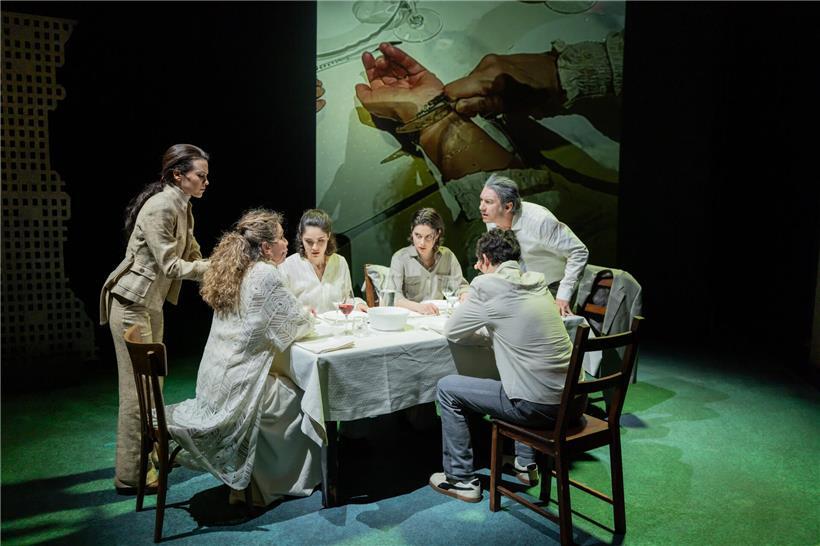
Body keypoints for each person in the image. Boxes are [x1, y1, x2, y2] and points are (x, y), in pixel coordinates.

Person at [165, 209, 321, 507]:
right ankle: (268, 483)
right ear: (265, 247)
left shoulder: (236, 268)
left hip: (213, 383)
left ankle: (249, 480)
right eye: (280, 238)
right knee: (301, 397)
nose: (286, 243)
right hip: (238, 389)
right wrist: (308, 316)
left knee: (285, 383)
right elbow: (296, 325)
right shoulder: (265, 273)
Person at [430, 228, 583, 503]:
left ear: (487, 259)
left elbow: (453, 331)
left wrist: (486, 327)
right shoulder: (538, 283)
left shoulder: (486, 286)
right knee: (518, 373)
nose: (476, 267)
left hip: (540, 408)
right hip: (574, 403)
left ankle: (461, 479)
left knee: (447, 387)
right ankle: (525, 463)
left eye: (478, 261)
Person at [99, 143, 211, 495]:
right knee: (137, 392)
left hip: (151, 304)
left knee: (154, 386)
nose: (206, 182)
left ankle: (150, 455)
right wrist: (218, 267)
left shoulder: (183, 206)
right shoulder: (161, 206)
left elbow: (194, 254)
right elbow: (171, 265)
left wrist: (220, 266)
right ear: (179, 175)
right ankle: (130, 475)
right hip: (130, 304)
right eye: (201, 176)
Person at [480, 173, 588, 316]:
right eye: (481, 200)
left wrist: (563, 295)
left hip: (552, 287)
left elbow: (578, 251)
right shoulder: (493, 221)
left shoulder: (539, 221)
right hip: (521, 286)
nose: (481, 207)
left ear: (507, 207)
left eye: (488, 202)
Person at [279, 208, 367, 314]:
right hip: (306, 328)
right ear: (301, 237)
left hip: (336, 327)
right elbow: (282, 308)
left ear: (328, 236)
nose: (315, 247)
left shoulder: (340, 262)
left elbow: (346, 299)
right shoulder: (288, 266)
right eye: (309, 241)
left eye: (320, 240)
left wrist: (358, 304)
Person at [387, 207, 468, 316]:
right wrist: (420, 308)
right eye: (418, 236)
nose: (422, 243)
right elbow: (394, 298)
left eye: (428, 237)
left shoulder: (447, 256)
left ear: (438, 234)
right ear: (412, 231)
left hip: (438, 316)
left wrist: (464, 295)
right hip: (411, 318)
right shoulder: (400, 258)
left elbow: (461, 286)